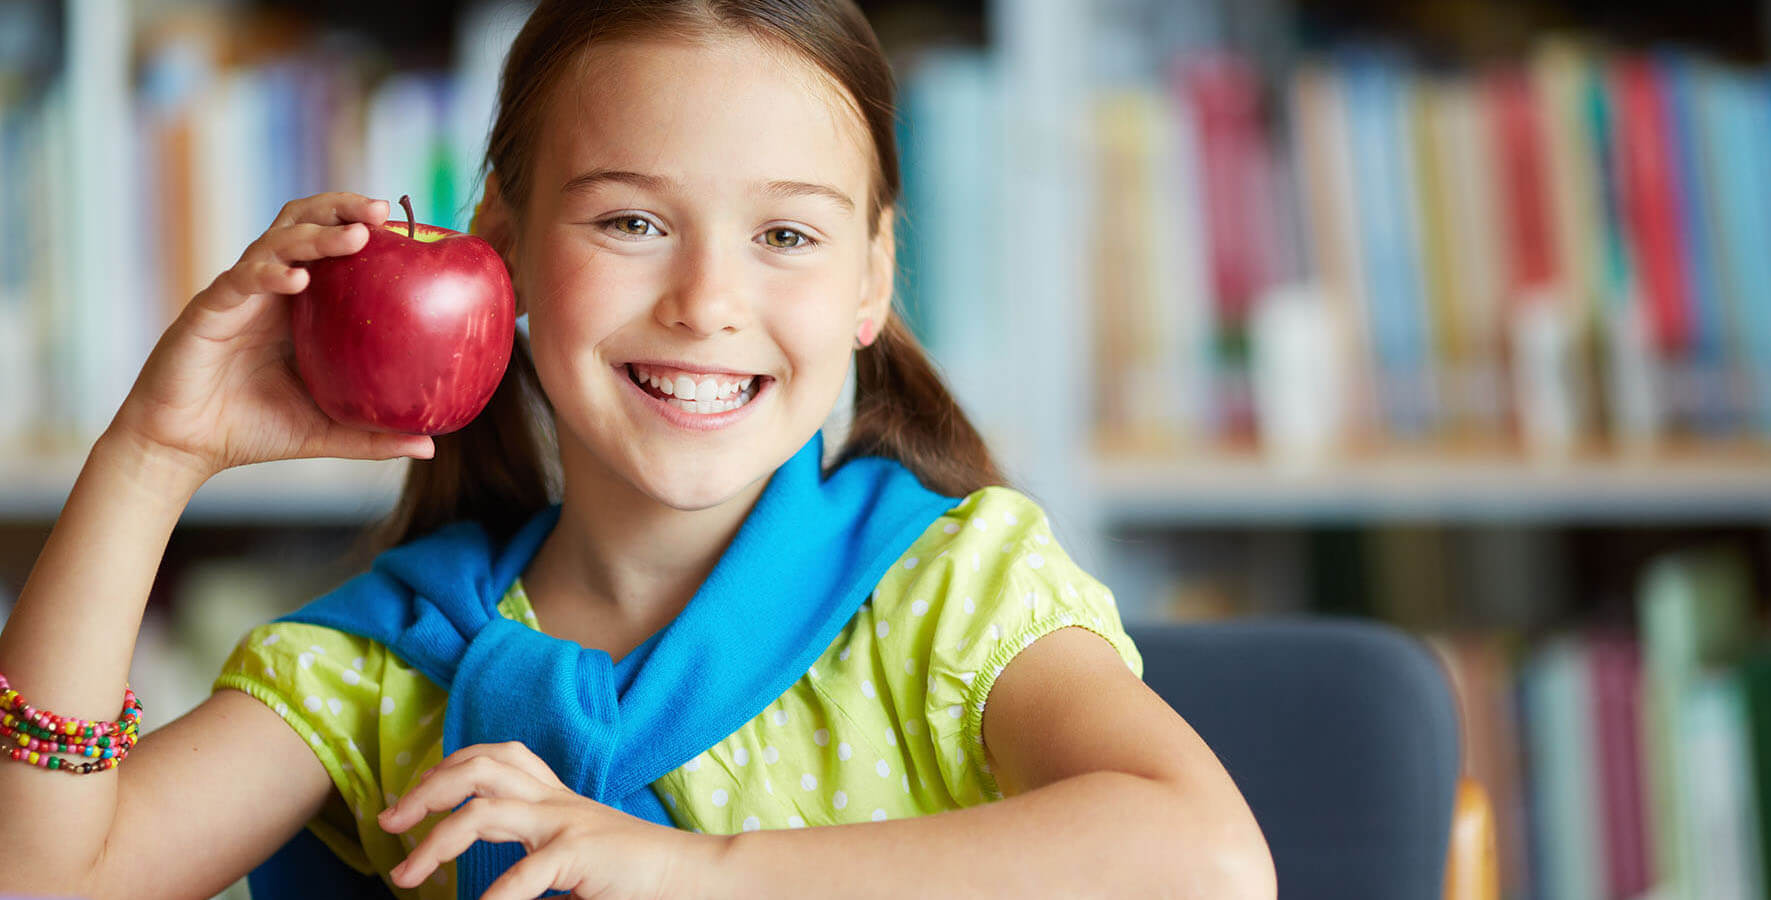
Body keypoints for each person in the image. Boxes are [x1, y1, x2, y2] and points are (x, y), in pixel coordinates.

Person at [0, 1, 1275, 897]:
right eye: (630, 222)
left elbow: (1206, 862)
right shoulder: (382, 666)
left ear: (872, 278)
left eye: (786, 237)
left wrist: (696, 873)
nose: (707, 302)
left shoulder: (949, 595)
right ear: (499, 244)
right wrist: (152, 455)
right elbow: (50, 879)